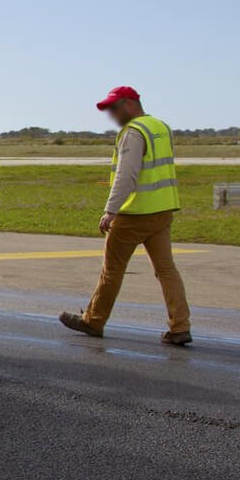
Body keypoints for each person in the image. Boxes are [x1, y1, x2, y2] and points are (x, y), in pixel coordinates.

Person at [58, 86, 192, 345]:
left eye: (115, 107)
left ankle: (94, 320)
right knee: (166, 270)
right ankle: (180, 325)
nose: (112, 114)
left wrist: (111, 210)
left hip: (134, 213)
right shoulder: (160, 127)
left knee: (112, 271)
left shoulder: (133, 132)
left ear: (131, 103)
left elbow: (126, 175)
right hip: (162, 210)